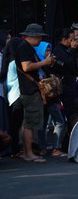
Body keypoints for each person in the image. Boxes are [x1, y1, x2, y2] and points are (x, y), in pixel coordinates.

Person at [15, 24, 55, 162]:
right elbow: (26, 67)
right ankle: (28, 153)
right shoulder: (25, 48)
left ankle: (28, 152)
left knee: (29, 122)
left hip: (30, 90)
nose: (40, 39)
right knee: (30, 123)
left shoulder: (26, 47)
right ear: (31, 36)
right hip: (30, 90)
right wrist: (45, 62)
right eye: (39, 36)